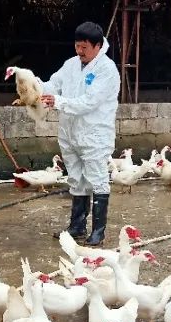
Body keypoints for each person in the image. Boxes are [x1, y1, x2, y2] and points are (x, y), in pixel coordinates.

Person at [40, 21, 120, 246]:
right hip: (70, 133)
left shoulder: (107, 69)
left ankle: (98, 231)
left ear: (97, 46)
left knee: (97, 179)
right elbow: (53, 85)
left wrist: (59, 101)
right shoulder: (71, 64)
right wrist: (32, 85)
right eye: (77, 46)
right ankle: (77, 227)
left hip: (94, 134)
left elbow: (89, 102)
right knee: (76, 178)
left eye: (84, 47)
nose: (80, 51)